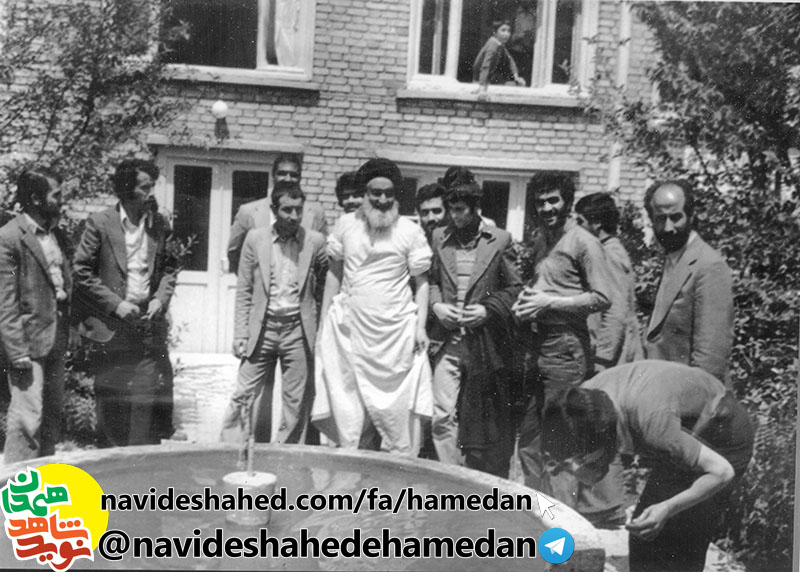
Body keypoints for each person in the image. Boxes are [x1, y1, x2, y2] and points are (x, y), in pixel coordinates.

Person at [541, 360, 754, 572]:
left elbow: (722, 472)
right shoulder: (579, 404)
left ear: (602, 440)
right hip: (681, 425)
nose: (575, 468)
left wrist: (667, 507)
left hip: (723, 435)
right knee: (644, 538)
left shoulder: (653, 426)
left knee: (682, 545)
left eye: (580, 460)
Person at [313, 158, 433, 455]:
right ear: (364, 194)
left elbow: (422, 283)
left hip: (394, 335)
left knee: (395, 415)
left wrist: (420, 328)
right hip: (350, 331)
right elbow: (334, 274)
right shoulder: (346, 225)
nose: (382, 200)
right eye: (375, 193)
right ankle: (353, 476)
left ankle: (395, 476)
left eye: (388, 193)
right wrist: (323, 323)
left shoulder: (409, 231)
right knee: (352, 412)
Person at [512, 172, 614, 502]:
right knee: (529, 441)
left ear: (567, 201)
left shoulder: (584, 241)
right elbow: (545, 286)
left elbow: (603, 297)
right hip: (536, 346)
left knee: (559, 447)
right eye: (540, 202)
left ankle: (561, 524)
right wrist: (526, 302)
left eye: (553, 200)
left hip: (566, 348)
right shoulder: (542, 238)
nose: (547, 208)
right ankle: (535, 515)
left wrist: (550, 303)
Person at [73, 158, 178, 446]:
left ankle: (139, 465)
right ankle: (111, 464)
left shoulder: (159, 224)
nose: (151, 193)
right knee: (111, 402)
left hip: (147, 325)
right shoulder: (100, 223)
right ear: (126, 189)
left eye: (152, 186)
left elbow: (170, 268)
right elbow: (81, 271)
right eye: (145, 187)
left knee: (146, 399)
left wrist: (160, 299)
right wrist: (116, 305)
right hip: (112, 326)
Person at [428, 178, 523, 476]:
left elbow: (515, 288)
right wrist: (436, 305)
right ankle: (449, 478)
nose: (454, 216)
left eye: (460, 210)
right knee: (442, 415)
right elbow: (431, 280)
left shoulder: (500, 239)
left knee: (480, 420)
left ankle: (474, 480)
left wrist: (487, 309)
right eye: (451, 209)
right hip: (448, 342)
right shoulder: (439, 236)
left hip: (483, 345)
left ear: (475, 208)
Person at [220, 181, 327, 445]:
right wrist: (241, 334)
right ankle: (231, 453)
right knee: (244, 393)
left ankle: (285, 457)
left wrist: (320, 330)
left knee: (295, 402)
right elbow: (244, 289)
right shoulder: (255, 239)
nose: (294, 216)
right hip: (263, 328)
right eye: (287, 210)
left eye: (298, 210)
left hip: (297, 331)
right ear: (274, 209)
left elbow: (324, 289)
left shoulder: (314, 241)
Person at [0, 168, 73, 463]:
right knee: (27, 421)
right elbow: (5, 302)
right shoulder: (10, 237)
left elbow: (63, 285)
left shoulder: (57, 234)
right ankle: (15, 486)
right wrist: (16, 351)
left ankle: (44, 483)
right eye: (56, 195)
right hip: (27, 345)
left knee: (51, 419)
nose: (62, 200)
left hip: (55, 338)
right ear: (35, 198)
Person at [643, 179, 734, 383]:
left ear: (691, 216)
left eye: (676, 217)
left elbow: (711, 357)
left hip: (689, 392)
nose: (668, 227)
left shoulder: (709, 266)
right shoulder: (673, 258)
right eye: (660, 218)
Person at [228, 153, 328, 275]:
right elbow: (234, 252)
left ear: (300, 178)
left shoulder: (315, 213)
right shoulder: (248, 211)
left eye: (294, 175)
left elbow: (323, 257)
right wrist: (253, 280)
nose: (287, 179)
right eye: (282, 173)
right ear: (273, 176)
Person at [575, 192, 643, 368]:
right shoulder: (602, 250)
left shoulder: (609, 254)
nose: (576, 228)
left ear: (597, 222)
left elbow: (616, 312)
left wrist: (602, 359)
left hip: (611, 359)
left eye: (580, 221)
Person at [473, 20, 526, 88]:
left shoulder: (500, 44)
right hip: (480, 80)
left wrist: (516, 76)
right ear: (495, 32)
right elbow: (485, 65)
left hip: (488, 78)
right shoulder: (492, 44)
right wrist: (482, 84)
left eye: (508, 31)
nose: (506, 34)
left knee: (517, 84)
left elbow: (510, 60)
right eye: (503, 30)